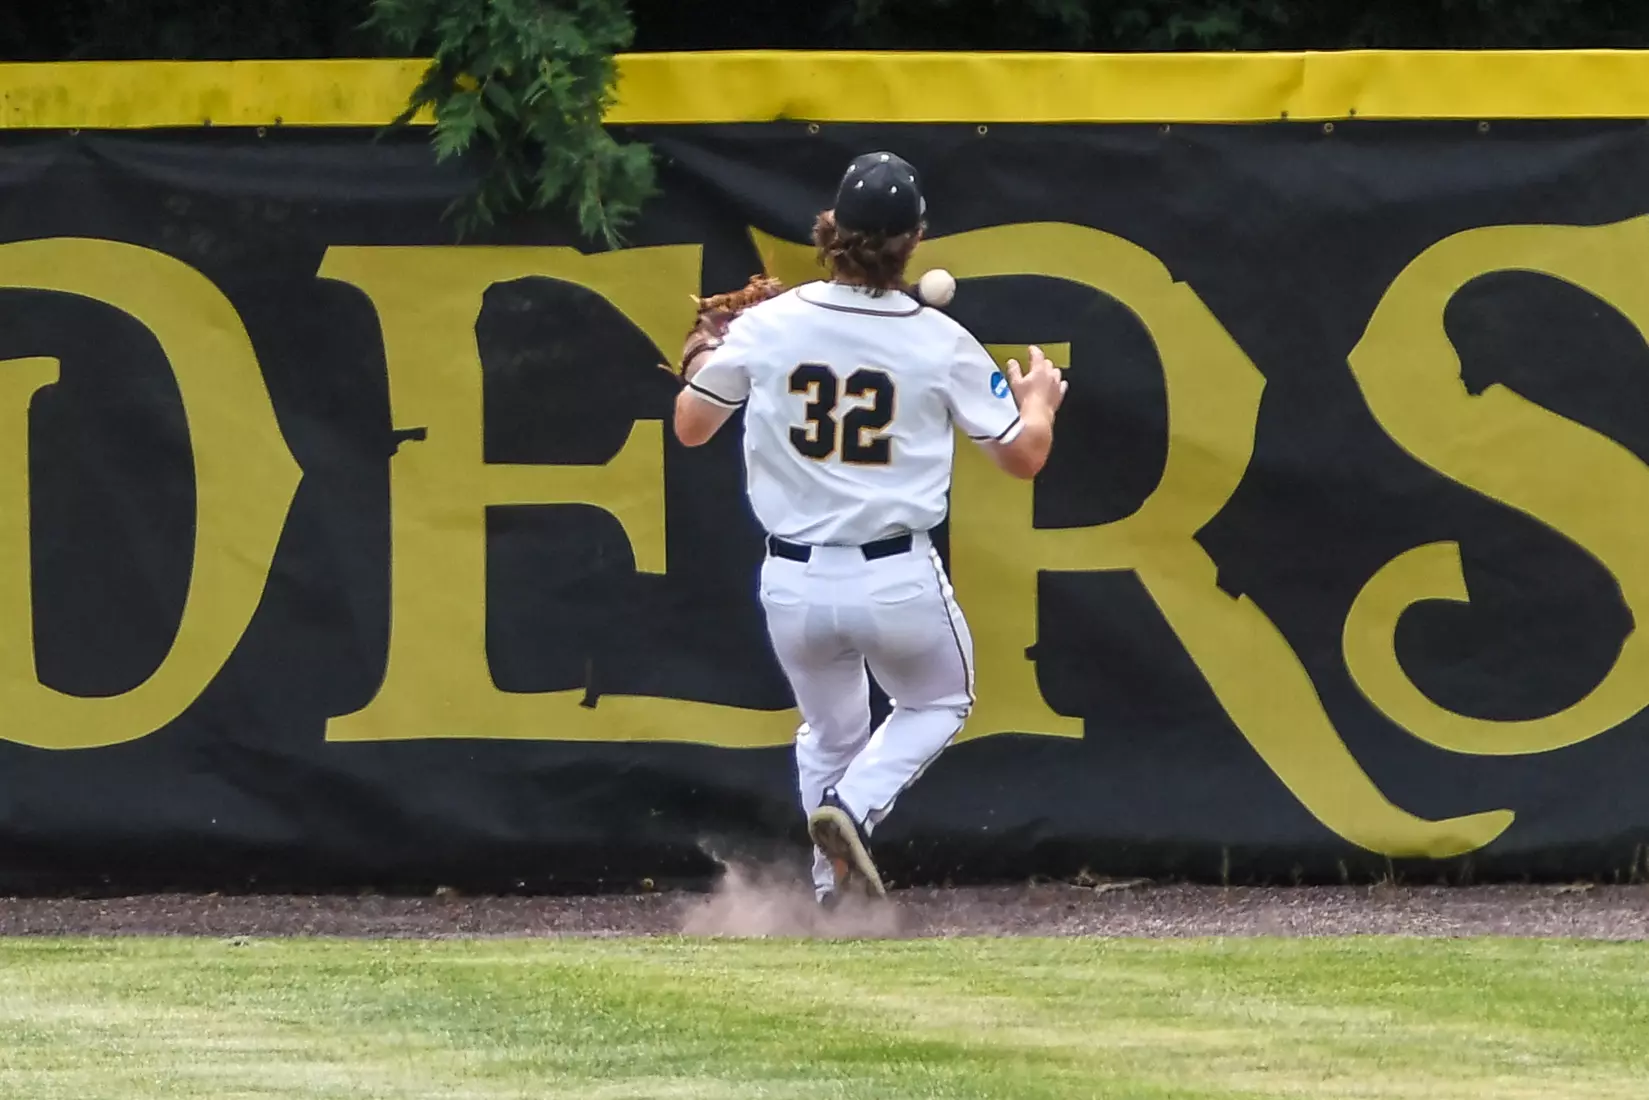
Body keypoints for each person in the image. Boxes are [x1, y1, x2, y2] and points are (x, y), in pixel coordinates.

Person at [672, 151, 1068, 906]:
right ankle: (851, 810)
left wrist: (706, 349)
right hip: (895, 577)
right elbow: (1022, 457)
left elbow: (692, 427)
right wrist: (1040, 400)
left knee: (828, 733)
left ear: (830, 231)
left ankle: (834, 891)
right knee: (938, 704)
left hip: (790, 579)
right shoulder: (938, 339)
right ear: (912, 241)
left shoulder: (767, 325)